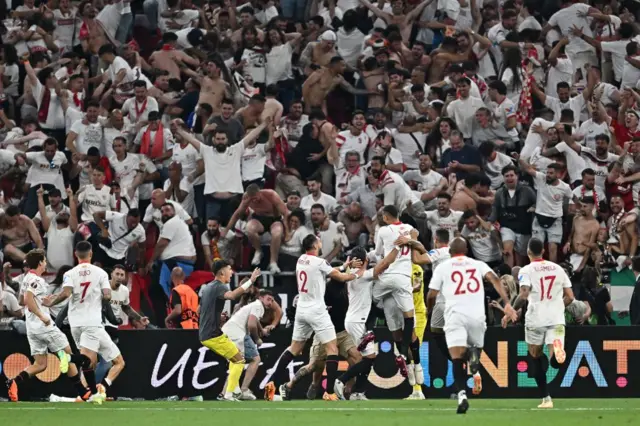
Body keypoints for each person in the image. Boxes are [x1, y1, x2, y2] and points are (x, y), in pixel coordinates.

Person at [264, 234, 362, 402]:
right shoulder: (320, 262)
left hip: (302, 308)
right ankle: (329, 392)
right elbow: (341, 277)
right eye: (319, 240)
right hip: (317, 310)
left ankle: (271, 385)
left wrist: (345, 265)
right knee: (332, 349)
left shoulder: (301, 260)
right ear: (315, 245)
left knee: (293, 349)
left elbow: (327, 270)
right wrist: (358, 274)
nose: (321, 242)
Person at [427, 238, 516, 414]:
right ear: (466, 250)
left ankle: (462, 396)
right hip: (477, 315)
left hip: (455, 316)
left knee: (456, 358)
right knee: (474, 348)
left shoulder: (443, 267)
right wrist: (506, 302)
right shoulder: (478, 264)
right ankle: (473, 355)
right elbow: (495, 279)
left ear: (450, 252)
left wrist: (429, 309)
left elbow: (431, 295)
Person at [42, 241, 125, 404]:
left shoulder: (70, 274)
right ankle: (70, 363)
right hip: (92, 322)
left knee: (119, 362)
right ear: (91, 253)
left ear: (75, 254)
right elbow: (108, 295)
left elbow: (65, 293)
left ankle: (101, 389)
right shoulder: (101, 273)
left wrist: (51, 303)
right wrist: (103, 297)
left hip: (77, 323)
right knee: (89, 362)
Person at [5, 249, 88, 403]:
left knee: (40, 365)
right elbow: (29, 300)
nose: (46, 264)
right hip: (44, 327)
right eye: (44, 261)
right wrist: (43, 315)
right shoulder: (38, 280)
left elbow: (22, 301)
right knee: (68, 354)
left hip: (32, 329)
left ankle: (14, 381)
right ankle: (83, 392)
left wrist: (43, 301)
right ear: (40, 263)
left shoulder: (26, 278)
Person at [506, 238, 574, 409]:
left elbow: (523, 294)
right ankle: (555, 354)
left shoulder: (526, 270)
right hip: (556, 318)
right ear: (543, 251)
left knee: (535, 357)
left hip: (536, 318)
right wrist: (559, 306)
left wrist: (512, 311)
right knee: (553, 358)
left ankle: (546, 398)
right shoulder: (558, 269)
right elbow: (571, 297)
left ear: (528, 252)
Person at [335, 245, 399, 400]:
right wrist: (397, 247)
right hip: (357, 321)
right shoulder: (364, 275)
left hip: (355, 320)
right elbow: (384, 264)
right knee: (369, 358)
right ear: (365, 261)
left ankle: (357, 392)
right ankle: (341, 381)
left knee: (369, 358)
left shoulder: (350, 273)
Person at [199, 260, 260, 401]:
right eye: (229, 269)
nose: (231, 272)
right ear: (221, 272)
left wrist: (217, 317)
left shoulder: (208, 287)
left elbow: (200, 310)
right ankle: (228, 394)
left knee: (236, 358)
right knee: (239, 361)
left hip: (209, 333)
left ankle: (229, 393)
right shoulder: (219, 286)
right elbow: (232, 296)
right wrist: (250, 281)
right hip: (212, 335)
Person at [373, 205, 419, 379]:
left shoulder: (384, 230)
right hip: (403, 280)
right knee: (409, 320)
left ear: (386, 217)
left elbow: (378, 253)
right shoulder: (408, 229)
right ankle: (408, 360)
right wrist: (411, 238)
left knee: (365, 297)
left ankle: (368, 334)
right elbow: (416, 234)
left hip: (387, 277)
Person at [222, 184, 288, 273]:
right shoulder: (246, 198)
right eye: (252, 199)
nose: (254, 200)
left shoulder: (271, 195)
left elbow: (285, 213)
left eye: (256, 197)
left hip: (274, 219)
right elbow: (237, 214)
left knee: (277, 232)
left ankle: (273, 262)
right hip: (259, 219)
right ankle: (258, 251)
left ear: (259, 192)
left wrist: (288, 232)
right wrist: (226, 229)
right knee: (249, 227)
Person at [220, 289, 274, 398]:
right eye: (268, 299)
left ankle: (225, 392)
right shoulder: (258, 306)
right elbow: (251, 325)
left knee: (236, 362)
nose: (270, 303)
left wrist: (262, 330)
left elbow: (255, 320)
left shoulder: (255, 306)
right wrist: (257, 339)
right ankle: (242, 390)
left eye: (272, 301)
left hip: (229, 331)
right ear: (260, 298)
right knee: (255, 359)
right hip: (237, 332)